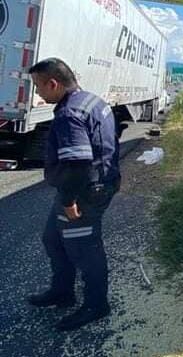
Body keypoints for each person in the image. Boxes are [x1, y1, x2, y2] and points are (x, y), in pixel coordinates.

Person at [27, 58, 121, 331]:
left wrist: (69, 202)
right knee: (53, 238)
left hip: (84, 192)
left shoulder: (69, 114)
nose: (38, 93)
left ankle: (96, 305)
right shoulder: (92, 101)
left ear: (53, 83)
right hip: (95, 184)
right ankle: (62, 291)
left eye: (38, 87)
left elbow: (77, 163)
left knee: (84, 248)